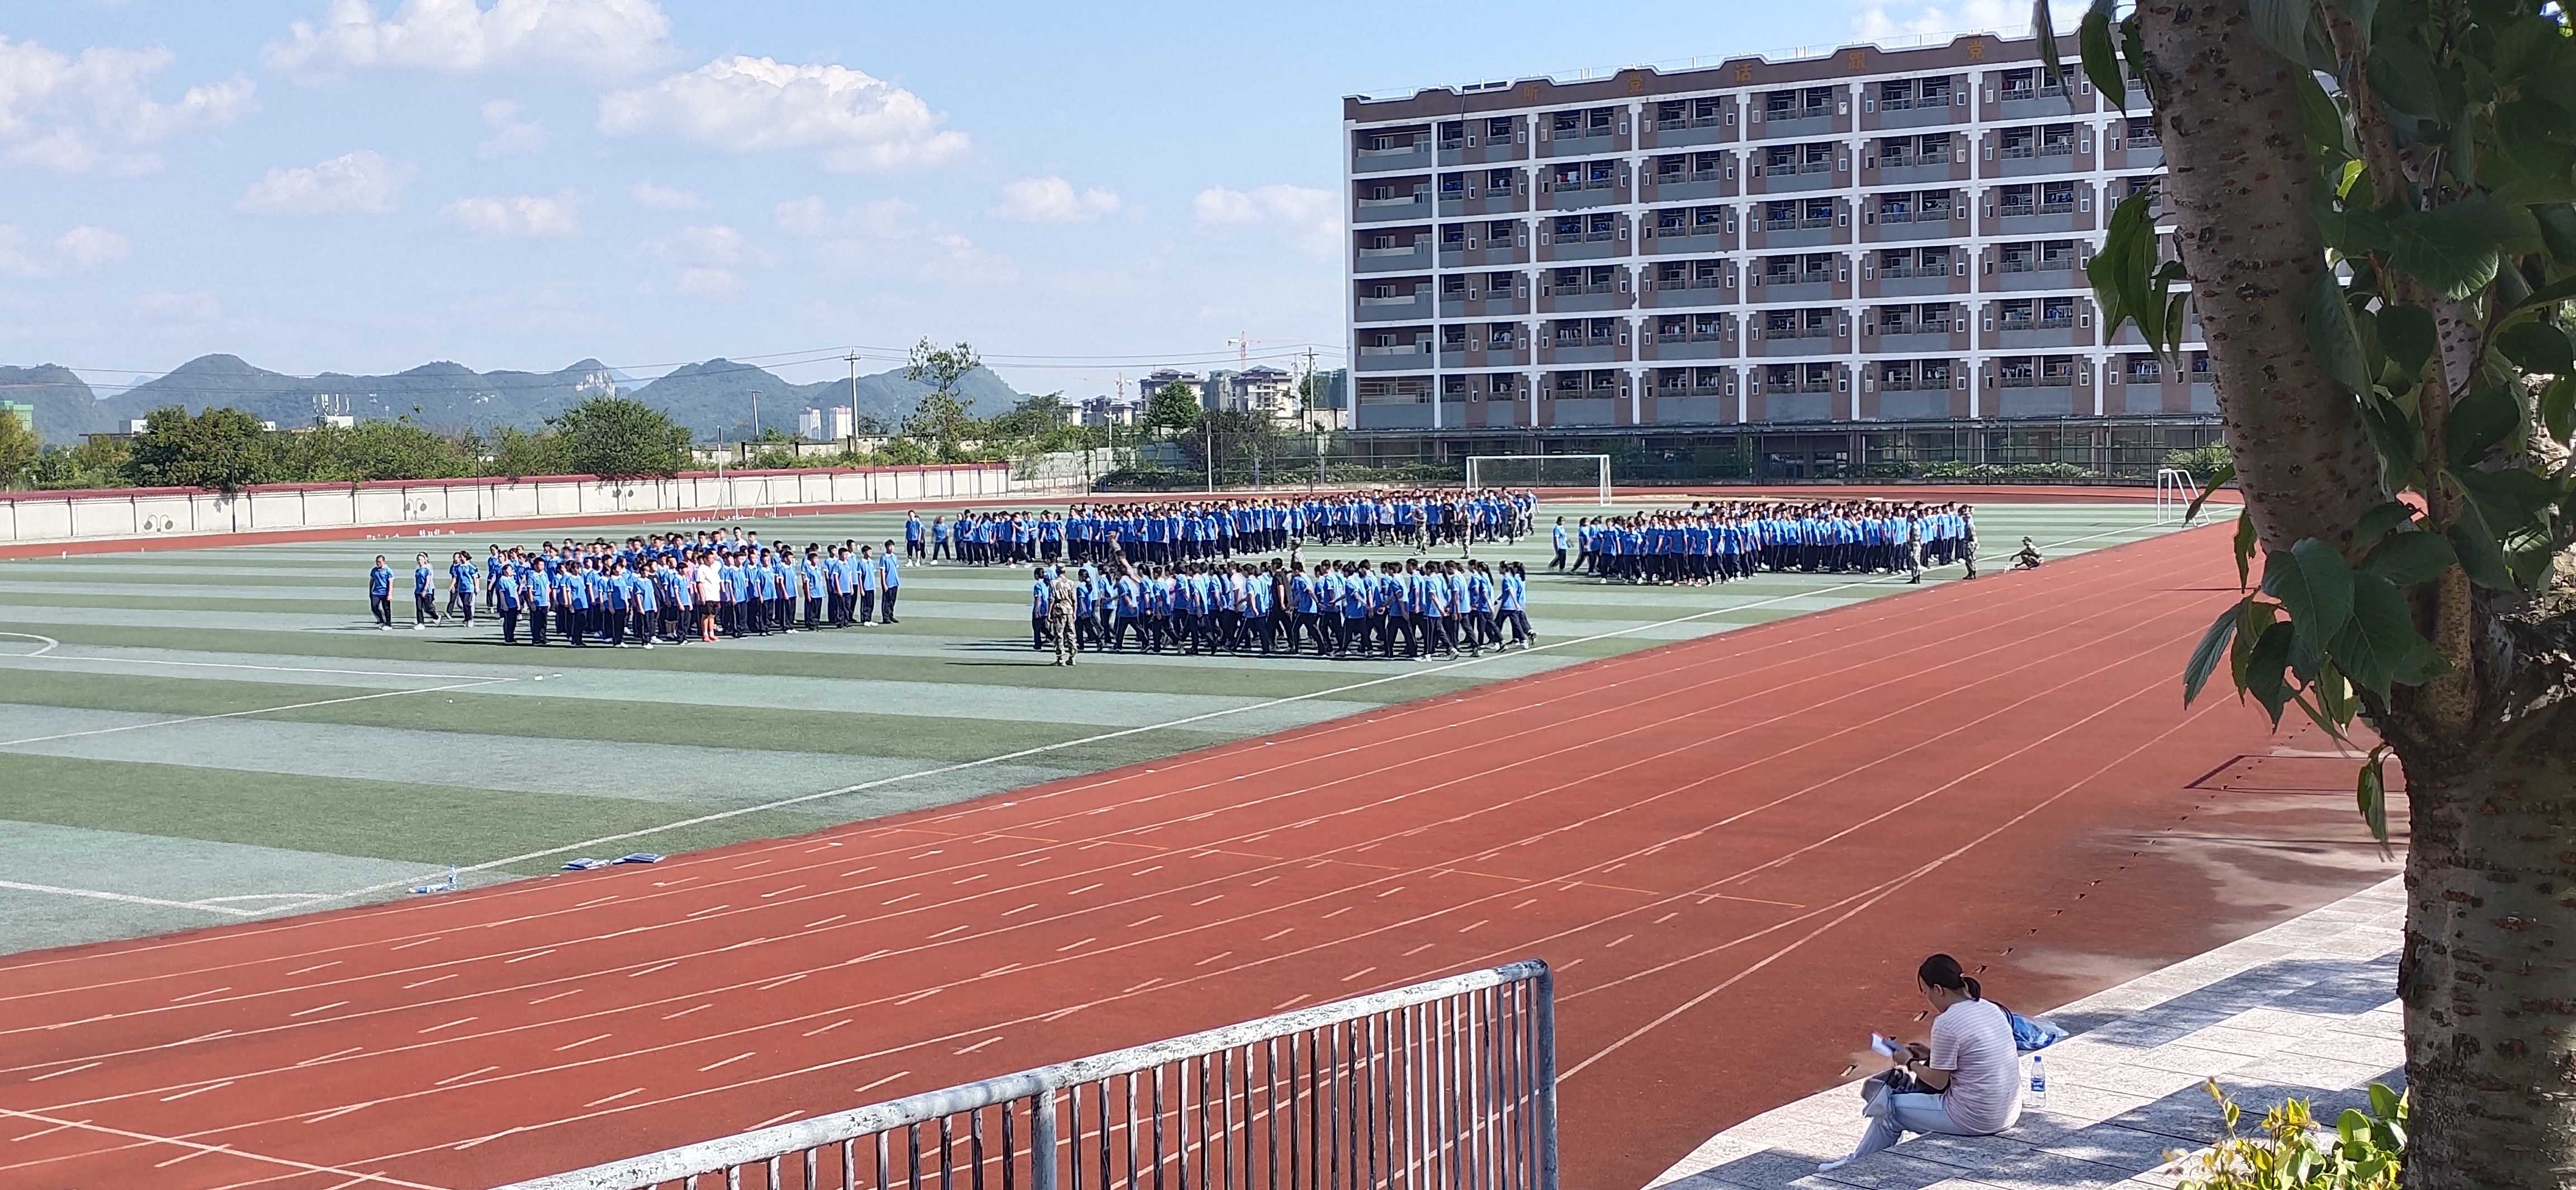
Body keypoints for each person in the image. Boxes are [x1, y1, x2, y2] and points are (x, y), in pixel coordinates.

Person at [1822, 954, 2022, 1172]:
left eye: (1926, 993)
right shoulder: (1989, 1008)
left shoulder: (1946, 1022)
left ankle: (1854, 1166)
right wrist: (1930, 1053)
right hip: (2008, 1112)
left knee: (1888, 1108)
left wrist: (1909, 1062)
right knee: (1901, 1105)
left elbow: (1938, 1081)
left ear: (1939, 989)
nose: (1929, 1000)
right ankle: (1870, 1154)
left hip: (1977, 1118)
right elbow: (1972, 1053)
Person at [1047, 566, 1081, 666]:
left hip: (1059, 609)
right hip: (1069, 609)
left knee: (1059, 634)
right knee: (1070, 634)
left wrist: (1049, 612)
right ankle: (1072, 657)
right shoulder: (1070, 583)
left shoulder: (1053, 583)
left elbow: (1052, 599)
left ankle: (1061, 658)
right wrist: (1074, 612)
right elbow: (1074, 600)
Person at [367, 555, 395, 630]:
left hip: (385, 592)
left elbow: (391, 582)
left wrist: (390, 594)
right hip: (376, 592)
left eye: (380, 562)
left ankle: (388, 624)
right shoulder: (374, 570)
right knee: (374, 607)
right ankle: (382, 620)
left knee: (387, 608)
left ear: (384, 562)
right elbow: (372, 581)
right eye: (377, 562)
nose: (378, 563)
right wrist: (370, 591)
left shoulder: (388, 571)